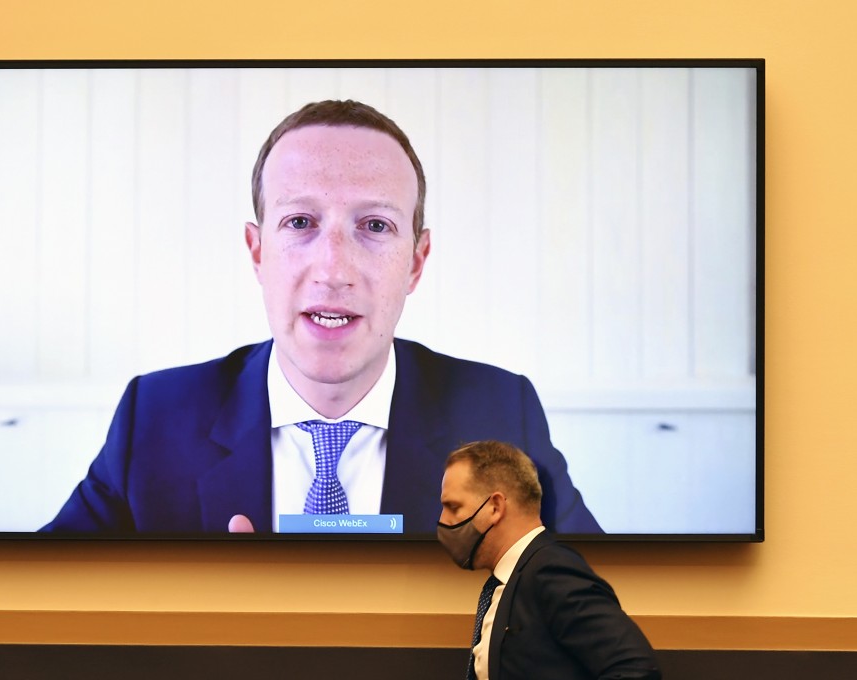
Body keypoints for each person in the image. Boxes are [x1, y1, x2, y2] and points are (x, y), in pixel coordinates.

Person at [42, 100, 601, 535]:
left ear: (417, 261)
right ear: (257, 252)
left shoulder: (502, 416)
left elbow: (598, 606)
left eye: (375, 226)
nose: (333, 268)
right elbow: (36, 600)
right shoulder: (156, 419)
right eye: (301, 222)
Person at [438, 440, 660, 679]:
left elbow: (636, 670)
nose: (443, 520)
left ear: (495, 507)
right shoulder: (512, 578)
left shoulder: (551, 570)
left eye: (453, 506)